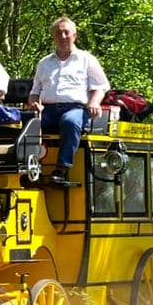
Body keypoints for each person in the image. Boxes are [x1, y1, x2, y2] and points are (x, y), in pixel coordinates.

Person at [27, 17, 109, 184]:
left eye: (66, 32)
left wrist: (94, 102)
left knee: (70, 122)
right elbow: (34, 93)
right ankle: (28, 167)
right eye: (59, 33)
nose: (63, 36)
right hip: (48, 110)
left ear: (74, 36)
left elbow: (100, 87)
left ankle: (62, 168)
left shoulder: (87, 60)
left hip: (76, 109)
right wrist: (34, 103)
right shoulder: (44, 63)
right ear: (53, 37)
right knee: (26, 124)